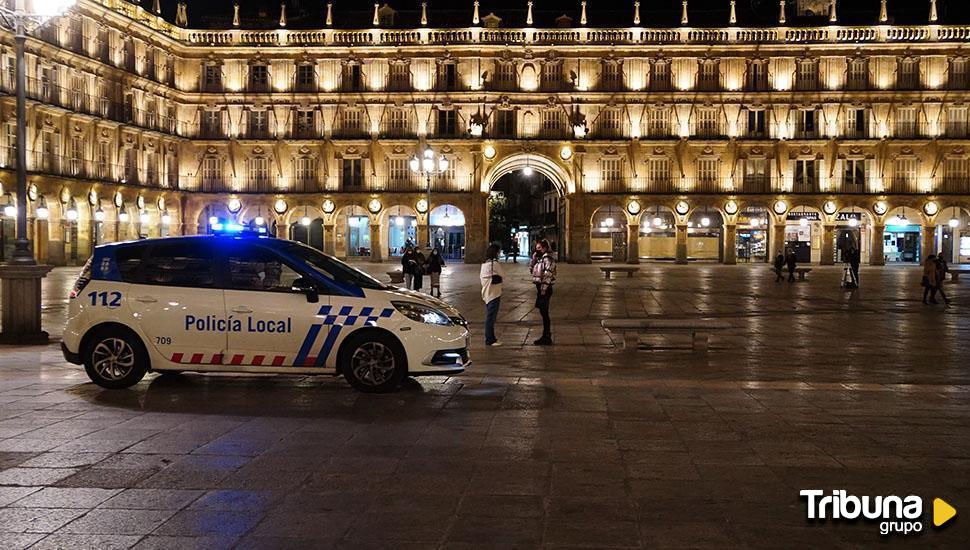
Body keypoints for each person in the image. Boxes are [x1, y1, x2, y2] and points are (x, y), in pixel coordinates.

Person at [529, 239, 556, 345]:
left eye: (539, 248)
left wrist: (543, 289)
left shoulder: (548, 259)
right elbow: (532, 271)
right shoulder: (540, 259)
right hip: (539, 287)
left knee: (544, 312)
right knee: (542, 311)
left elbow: (548, 274)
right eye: (536, 248)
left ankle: (546, 336)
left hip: (544, 288)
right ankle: (546, 335)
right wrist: (533, 259)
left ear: (544, 248)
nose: (537, 250)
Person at [480, 243, 504, 346]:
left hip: (486, 294)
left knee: (490, 316)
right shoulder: (495, 264)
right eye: (499, 252)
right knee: (491, 317)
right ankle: (490, 339)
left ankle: (492, 337)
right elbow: (503, 274)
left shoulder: (484, 264)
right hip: (494, 294)